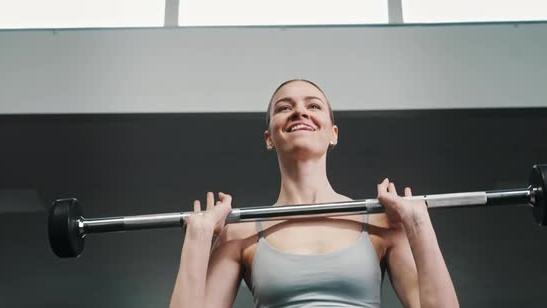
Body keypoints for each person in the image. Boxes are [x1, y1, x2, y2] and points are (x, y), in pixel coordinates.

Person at [170, 79, 459, 308]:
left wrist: (418, 224)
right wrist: (198, 238)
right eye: (284, 108)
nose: (300, 111)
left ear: (333, 133)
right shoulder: (240, 234)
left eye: (314, 106)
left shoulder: (380, 223)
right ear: (269, 137)